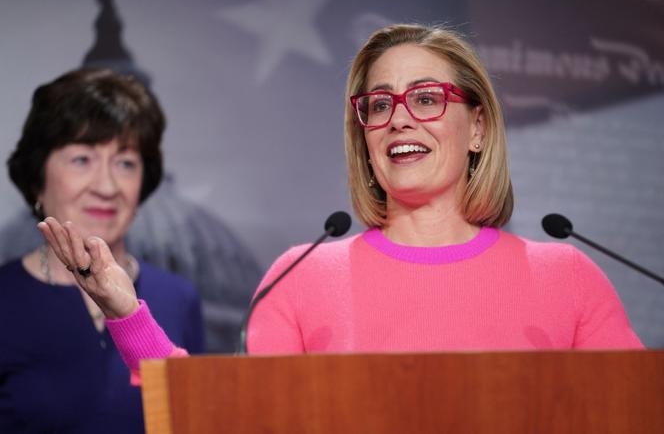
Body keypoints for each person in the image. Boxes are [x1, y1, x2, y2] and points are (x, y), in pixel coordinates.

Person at [36, 24, 642, 376]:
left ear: (478, 126)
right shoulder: (299, 277)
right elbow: (223, 419)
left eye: (426, 98)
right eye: (379, 105)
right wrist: (126, 313)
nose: (399, 120)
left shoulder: (568, 277)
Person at [0, 68, 205, 433]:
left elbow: (196, 421)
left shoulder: (177, 297)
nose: (108, 186)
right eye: (82, 159)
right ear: (36, 180)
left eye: (126, 163)